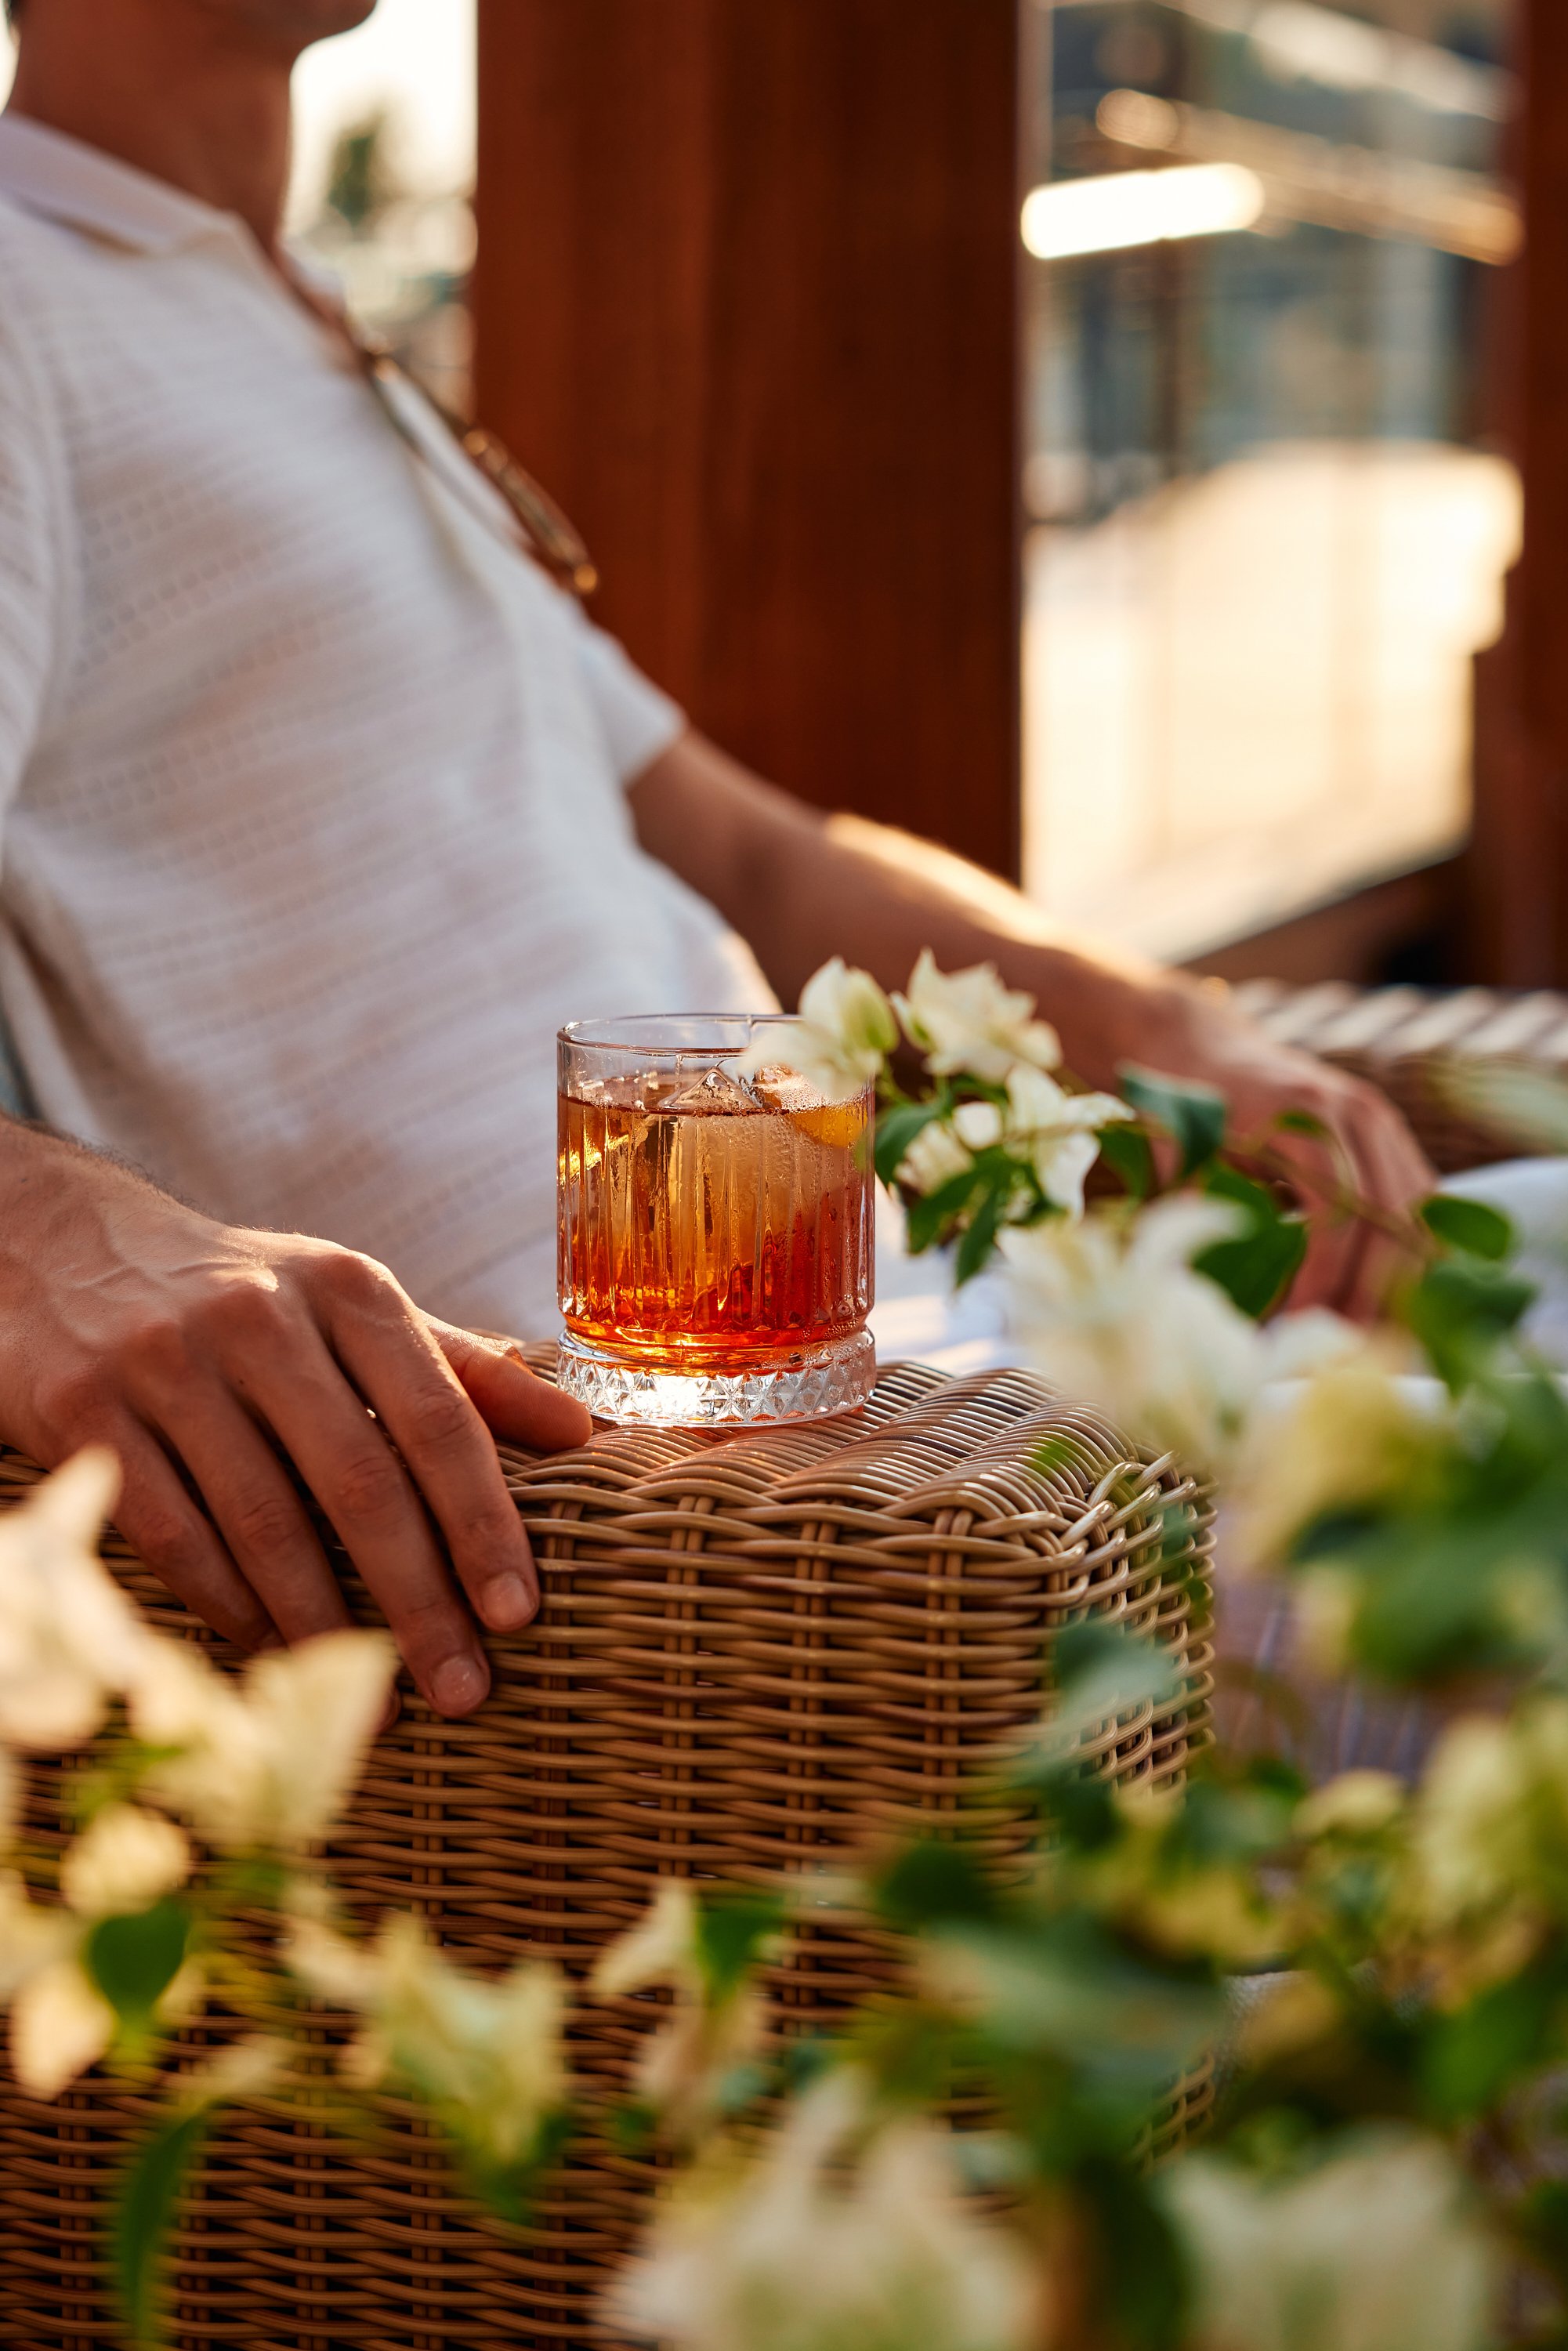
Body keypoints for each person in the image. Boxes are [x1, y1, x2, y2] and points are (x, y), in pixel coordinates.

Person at [0, 0, 1433, 1718]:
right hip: (693, 1485)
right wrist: (48, 1234)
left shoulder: (292, 322)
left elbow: (744, 844)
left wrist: (1148, 1019)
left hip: (916, 1334)